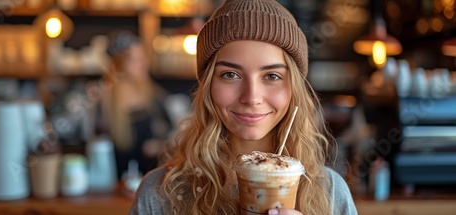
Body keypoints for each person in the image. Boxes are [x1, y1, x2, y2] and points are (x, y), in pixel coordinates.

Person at [130, 0, 358, 214]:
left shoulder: (331, 192)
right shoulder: (159, 195)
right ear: (208, 84)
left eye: (272, 75)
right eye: (230, 74)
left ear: (294, 88)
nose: (252, 97)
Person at [100, 30, 171, 177]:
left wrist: (160, 145)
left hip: (151, 178)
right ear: (119, 64)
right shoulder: (104, 100)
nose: (143, 63)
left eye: (143, 57)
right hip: (115, 182)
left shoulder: (154, 94)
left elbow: (172, 133)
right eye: (134, 59)